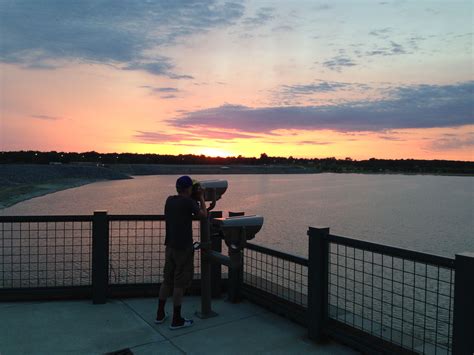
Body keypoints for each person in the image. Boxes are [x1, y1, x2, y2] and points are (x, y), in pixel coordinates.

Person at [155, 176, 207, 329]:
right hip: (183, 248)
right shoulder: (188, 202)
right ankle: (176, 320)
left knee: (167, 280)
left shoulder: (169, 200)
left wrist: (193, 197)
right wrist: (202, 197)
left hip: (169, 246)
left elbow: (184, 210)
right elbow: (203, 215)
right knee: (179, 284)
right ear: (189, 189)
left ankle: (160, 314)